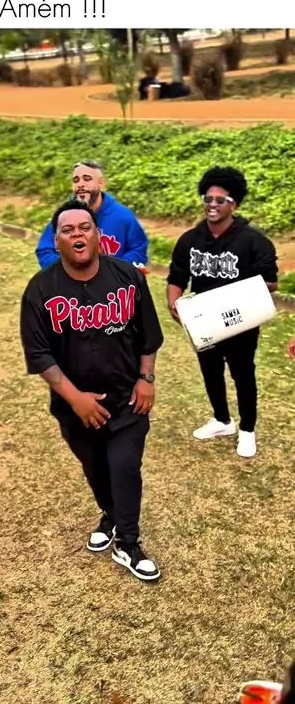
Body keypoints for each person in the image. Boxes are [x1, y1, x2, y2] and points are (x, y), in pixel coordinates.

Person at [21, 200, 164, 582]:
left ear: (98, 235)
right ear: (56, 241)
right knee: (96, 468)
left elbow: (149, 335)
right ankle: (111, 516)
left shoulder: (128, 277)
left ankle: (127, 542)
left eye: (84, 227)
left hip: (127, 399)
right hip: (75, 407)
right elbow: (39, 354)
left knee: (124, 467)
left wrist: (146, 379)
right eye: (67, 230)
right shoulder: (40, 289)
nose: (77, 235)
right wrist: (76, 399)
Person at [166, 167, 278, 459]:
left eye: (220, 200)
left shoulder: (253, 241)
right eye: (208, 198)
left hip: (239, 321)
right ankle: (222, 421)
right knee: (210, 371)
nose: (212, 204)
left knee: (243, 374)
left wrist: (234, 295)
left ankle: (247, 430)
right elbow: (177, 277)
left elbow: (270, 282)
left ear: (234, 204)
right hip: (204, 322)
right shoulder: (190, 240)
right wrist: (174, 303)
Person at [35, 160, 149, 271]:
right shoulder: (64, 216)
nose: (80, 184)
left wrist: (115, 270)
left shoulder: (123, 216)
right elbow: (45, 250)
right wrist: (68, 269)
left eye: (87, 179)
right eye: (76, 180)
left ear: (101, 184)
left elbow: (138, 250)